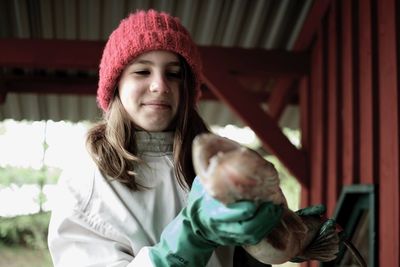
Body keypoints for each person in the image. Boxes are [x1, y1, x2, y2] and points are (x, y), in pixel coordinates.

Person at [47, 9, 283, 267]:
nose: (160, 85)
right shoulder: (85, 178)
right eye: (142, 72)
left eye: (173, 73)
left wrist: (278, 238)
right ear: (116, 84)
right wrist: (189, 240)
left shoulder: (222, 163)